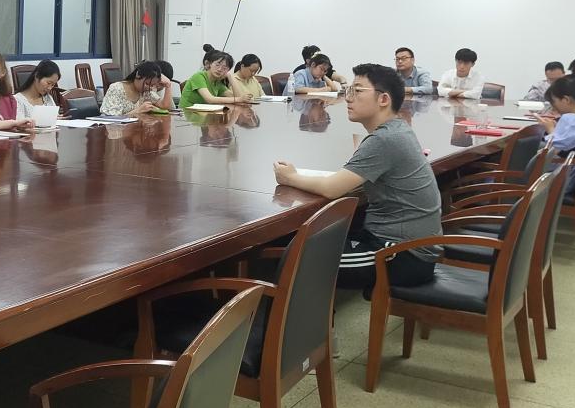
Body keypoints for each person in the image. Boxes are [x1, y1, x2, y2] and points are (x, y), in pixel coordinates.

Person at [274, 63, 441, 292]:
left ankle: (286, 315)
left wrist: (290, 177)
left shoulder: (385, 139)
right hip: (405, 243)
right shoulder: (396, 130)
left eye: (358, 91)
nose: (349, 98)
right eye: (349, 90)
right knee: (301, 243)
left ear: (383, 99)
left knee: (299, 260)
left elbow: (332, 188)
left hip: (403, 253)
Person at [534, 77, 575, 195]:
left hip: (564, 179)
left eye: (554, 102)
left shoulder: (574, 120)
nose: (553, 107)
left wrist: (550, 130)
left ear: (566, 100)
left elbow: (554, 150)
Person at [179, 45, 253, 107]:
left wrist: (231, 77)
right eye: (217, 65)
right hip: (186, 115)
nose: (220, 69)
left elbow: (237, 98)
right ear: (210, 64)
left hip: (204, 115)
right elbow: (210, 99)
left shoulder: (217, 82)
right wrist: (239, 99)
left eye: (224, 68)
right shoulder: (198, 76)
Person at [100, 61, 173, 116]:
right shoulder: (117, 88)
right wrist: (138, 111)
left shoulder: (146, 92)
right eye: (147, 84)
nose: (149, 88)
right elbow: (111, 119)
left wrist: (168, 86)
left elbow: (165, 107)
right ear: (138, 75)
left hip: (134, 129)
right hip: (114, 131)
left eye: (152, 85)